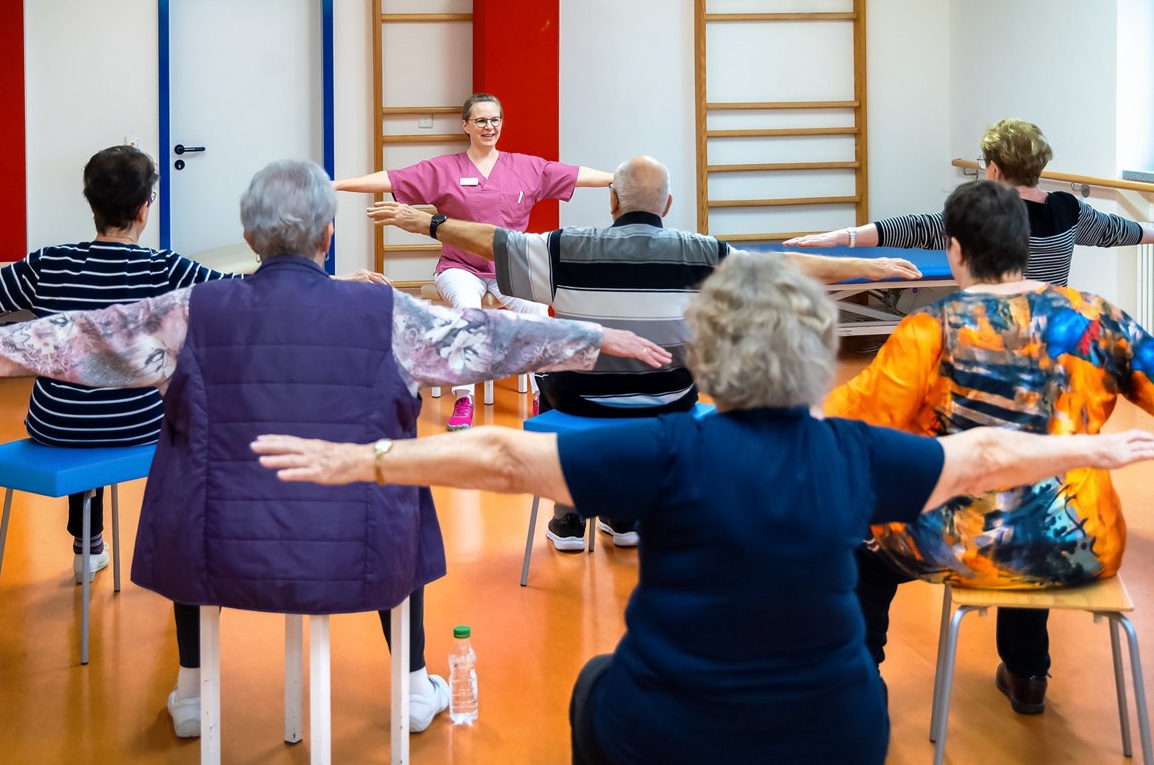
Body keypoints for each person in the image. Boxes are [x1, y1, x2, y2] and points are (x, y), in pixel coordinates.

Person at [247, 254, 1154, 765]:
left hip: (672, 734)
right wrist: (1092, 449)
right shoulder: (854, 455)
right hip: (836, 737)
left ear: (706, 350)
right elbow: (985, 455)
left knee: (595, 683)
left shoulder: (668, 450)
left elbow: (503, 456)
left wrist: (363, 459)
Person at [0, 159, 671, 740]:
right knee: (394, 477)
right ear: (330, 234)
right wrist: (593, 336)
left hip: (215, 550)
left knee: (191, 464)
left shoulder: (191, 308)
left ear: (250, 237)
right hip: (359, 549)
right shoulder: (385, 312)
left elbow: (83, 337)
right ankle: (409, 686)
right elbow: (489, 337)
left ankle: (196, 690)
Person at [369, 154, 922, 552]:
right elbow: (782, 265)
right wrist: (867, 266)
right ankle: (626, 511)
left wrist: (434, 223)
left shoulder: (567, 248)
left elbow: (494, 242)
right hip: (669, 403)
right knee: (666, 374)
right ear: (669, 205)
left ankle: (569, 511)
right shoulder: (704, 253)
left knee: (559, 364)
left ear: (611, 200)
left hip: (580, 405)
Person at [823, 179, 1154, 715]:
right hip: (1080, 543)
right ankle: (1028, 673)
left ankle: (861, 680)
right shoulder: (1096, 319)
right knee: (1035, 505)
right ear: (1025, 245)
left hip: (951, 541)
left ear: (954, 248)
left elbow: (849, 420)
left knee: (863, 536)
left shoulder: (930, 330)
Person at [0, 145, 234, 580]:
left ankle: (87, 547)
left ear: (92, 205)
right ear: (144, 209)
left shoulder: (51, 264)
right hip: (138, 427)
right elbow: (249, 295)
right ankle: (171, 549)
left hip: (57, 425)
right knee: (178, 418)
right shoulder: (166, 268)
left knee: (81, 409)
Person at [334, 92, 614, 430]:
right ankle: (464, 399)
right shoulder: (445, 169)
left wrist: (620, 179)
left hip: (508, 267)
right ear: (465, 125)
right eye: (480, 120)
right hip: (458, 267)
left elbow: (576, 175)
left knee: (538, 312)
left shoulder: (526, 168)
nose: (489, 126)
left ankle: (544, 394)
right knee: (468, 311)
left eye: (495, 119)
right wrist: (337, 184)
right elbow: (393, 179)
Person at [785, 118, 1154, 286]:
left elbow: (914, 229)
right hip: (1053, 330)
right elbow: (1127, 232)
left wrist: (842, 237)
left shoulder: (982, 213)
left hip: (993, 330)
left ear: (993, 169)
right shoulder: (1068, 209)